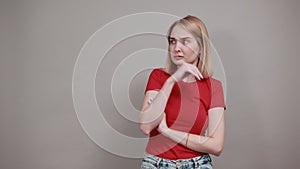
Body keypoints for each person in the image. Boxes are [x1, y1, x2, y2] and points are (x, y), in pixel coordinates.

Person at [139, 15, 226, 169]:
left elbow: (216, 146)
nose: (176, 48)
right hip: (156, 164)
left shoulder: (214, 87)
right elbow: (146, 126)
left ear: (200, 46)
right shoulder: (158, 77)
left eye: (185, 41)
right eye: (173, 41)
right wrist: (172, 80)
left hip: (198, 165)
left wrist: (167, 131)